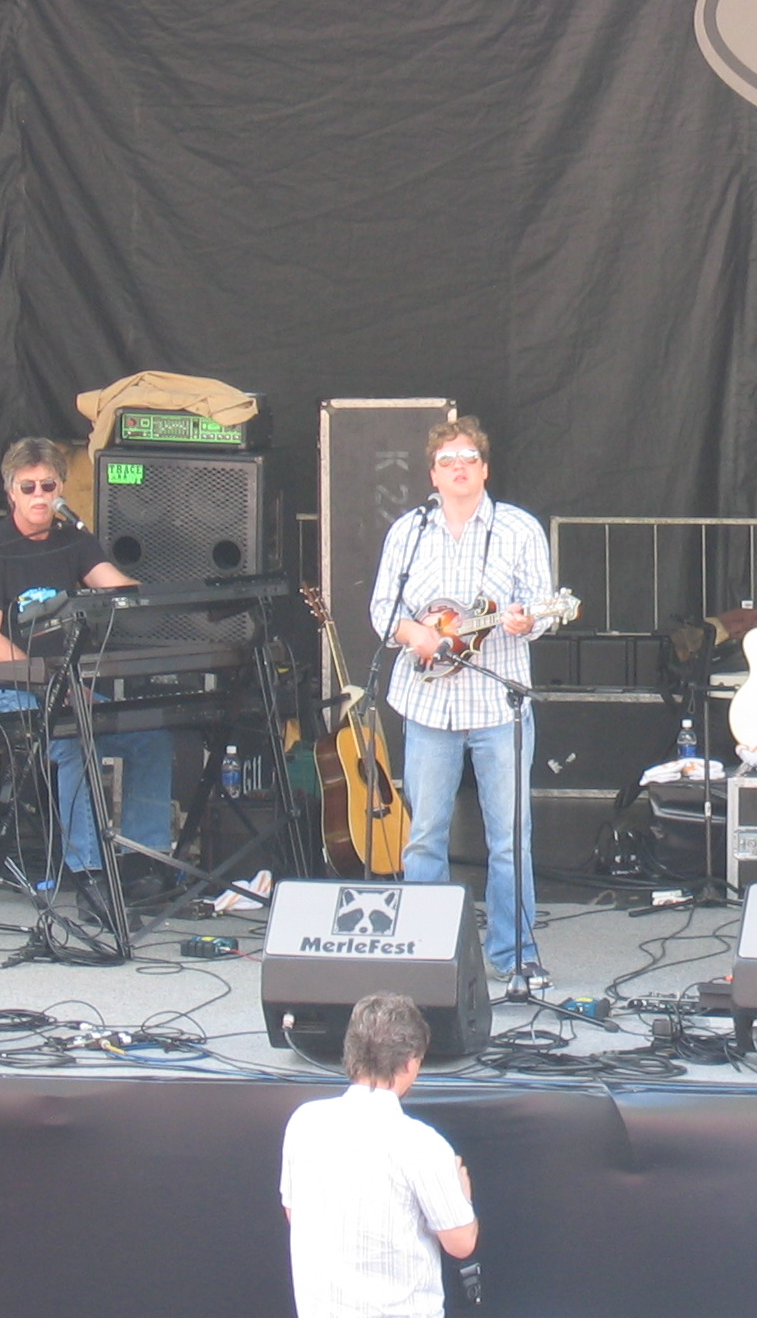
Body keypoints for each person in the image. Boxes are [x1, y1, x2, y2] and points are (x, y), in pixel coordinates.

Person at [369, 418, 563, 988]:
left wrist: (527, 622)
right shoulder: (409, 531)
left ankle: (515, 953)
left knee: (509, 839)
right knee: (425, 835)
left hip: (497, 703)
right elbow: (383, 609)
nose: (459, 468)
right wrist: (414, 633)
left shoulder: (518, 529)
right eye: (448, 460)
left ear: (485, 468)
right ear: (432, 473)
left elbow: (538, 610)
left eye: (469, 458)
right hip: (428, 704)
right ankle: (427, 954)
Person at [0, 438, 178, 914]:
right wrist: (51, 686)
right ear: (10, 492)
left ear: (61, 489)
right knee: (72, 737)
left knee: (150, 737)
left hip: (60, 686)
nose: (39, 495)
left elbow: (116, 587)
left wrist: (166, 597)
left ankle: (145, 865)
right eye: (28, 487)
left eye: (48, 485)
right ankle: (87, 873)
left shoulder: (74, 540)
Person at [281, 991, 478, 1318]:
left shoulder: (304, 1122)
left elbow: (295, 1214)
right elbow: (461, 1244)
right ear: (410, 1062)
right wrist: (463, 1197)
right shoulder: (422, 1145)